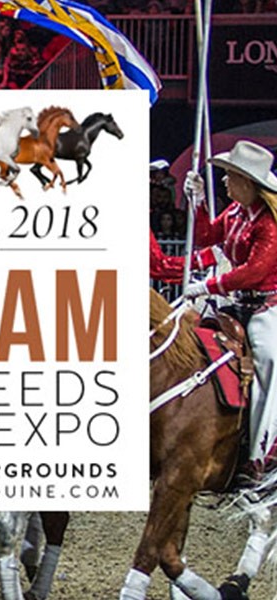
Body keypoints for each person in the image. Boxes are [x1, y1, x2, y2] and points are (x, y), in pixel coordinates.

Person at [162, 141, 277, 468]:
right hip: (232, 303)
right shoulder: (236, 212)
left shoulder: (268, 223)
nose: (224, 181)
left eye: (229, 175)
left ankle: (264, 455)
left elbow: (255, 271)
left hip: (265, 308)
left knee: (270, 363)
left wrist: (208, 284)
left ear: (247, 182)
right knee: (176, 325)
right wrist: (196, 202)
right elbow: (205, 236)